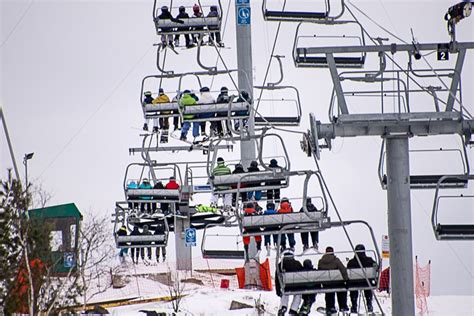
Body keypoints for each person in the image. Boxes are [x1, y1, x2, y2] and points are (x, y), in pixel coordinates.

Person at [318, 246, 349, 315]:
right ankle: (343, 306)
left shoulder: (321, 261)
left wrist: (320, 283)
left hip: (326, 283)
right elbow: (343, 269)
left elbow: (319, 273)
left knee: (329, 294)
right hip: (337, 282)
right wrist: (346, 280)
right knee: (341, 292)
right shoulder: (336, 260)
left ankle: (330, 307)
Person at [347, 244, 376, 314]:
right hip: (366, 282)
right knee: (368, 288)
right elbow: (375, 268)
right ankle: (369, 304)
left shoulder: (351, 262)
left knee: (353, 290)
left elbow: (348, 273)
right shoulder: (369, 260)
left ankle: (354, 305)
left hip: (354, 283)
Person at [275, 250, 303, 315]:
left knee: (285, 292)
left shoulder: (280, 265)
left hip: (286, 286)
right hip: (297, 286)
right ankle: (293, 309)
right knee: (298, 294)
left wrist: (278, 291)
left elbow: (277, 279)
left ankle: (283, 306)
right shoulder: (297, 263)